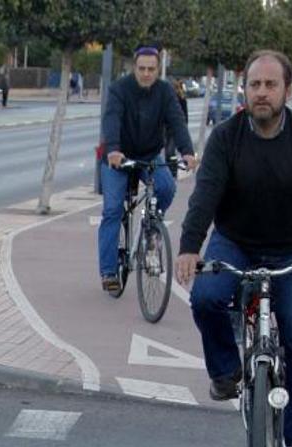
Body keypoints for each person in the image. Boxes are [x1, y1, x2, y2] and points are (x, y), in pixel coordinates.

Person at [176, 50, 292, 447]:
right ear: (245, 90)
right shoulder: (226, 136)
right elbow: (205, 196)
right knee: (205, 298)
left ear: (287, 91)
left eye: (271, 85)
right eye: (254, 85)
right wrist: (188, 247)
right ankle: (225, 371)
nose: (262, 93)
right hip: (235, 241)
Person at [98, 45, 197, 293]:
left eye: (151, 69)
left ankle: (151, 230)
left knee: (165, 186)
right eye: (141, 69)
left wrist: (187, 151)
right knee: (112, 210)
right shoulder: (119, 89)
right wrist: (113, 149)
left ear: (158, 69)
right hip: (117, 157)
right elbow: (111, 119)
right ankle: (109, 271)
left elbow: (176, 120)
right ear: (134, 68)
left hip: (149, 155)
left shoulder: (164, 92)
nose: (146, 74)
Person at [164, 78, 189, 176]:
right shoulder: (165, 100)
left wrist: (183, 128)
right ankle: (169, 170)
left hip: (175, 130)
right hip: (165, 129)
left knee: (170, 151)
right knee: (167, 151)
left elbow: (184, 115)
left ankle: (173, 171)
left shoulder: (181, 99)